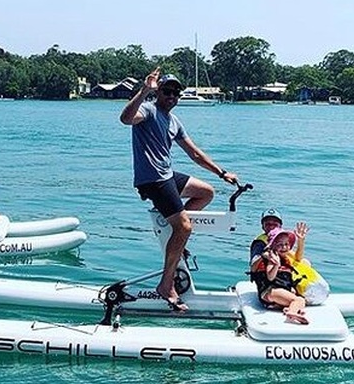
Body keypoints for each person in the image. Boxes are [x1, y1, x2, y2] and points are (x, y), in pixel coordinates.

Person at [119, 68, 238, 312]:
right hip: (152, 179)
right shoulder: (148, 110)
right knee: (184, 226)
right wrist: (144, 91)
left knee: (206, 192)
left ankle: (175, 236)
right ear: (159, 92)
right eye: (167, 91)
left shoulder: (174, 121)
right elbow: (125, 118)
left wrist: (222, 173)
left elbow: (194, 153)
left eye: (176, 92)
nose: (171, 96)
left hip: (167, 176)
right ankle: (165, 284)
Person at [250, 227, 309, 325]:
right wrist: (276, 265)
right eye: (280, 245)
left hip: (276, 294)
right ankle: (292, 313)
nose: (284, 247)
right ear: (272, 246)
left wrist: (301, 240)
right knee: (298, 300)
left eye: (286, 244)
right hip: (270, 292)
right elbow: (270, 277)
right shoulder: (272, 258)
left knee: (301, 300)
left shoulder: (285, 259)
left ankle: (288, 308)